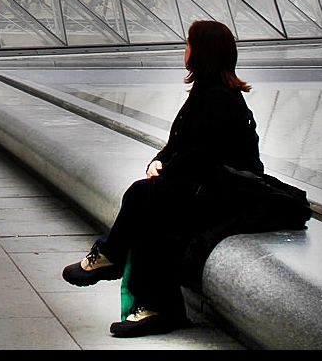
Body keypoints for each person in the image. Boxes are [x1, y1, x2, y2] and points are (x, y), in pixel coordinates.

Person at [62, 21, 266, 339]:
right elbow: (179, 146)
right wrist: (159, 161)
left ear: (203, 52)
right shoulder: (207, 94)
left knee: (143, 196)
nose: (184, 49)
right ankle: (156, 307)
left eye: (189, 43)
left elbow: (201, 154)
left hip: (228, 194)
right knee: (149, 207)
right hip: (211, 187)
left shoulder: (219, 99)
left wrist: (165, 172)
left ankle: (112, 259)